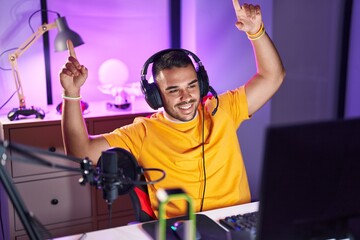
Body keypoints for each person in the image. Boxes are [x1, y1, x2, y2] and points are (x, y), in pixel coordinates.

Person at [59, 0, 285, 219]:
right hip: (182, 231)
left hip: (235, 224)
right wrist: (71, 94)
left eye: (192, 86)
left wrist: (257, 32)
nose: (186, 97)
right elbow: (81, 153)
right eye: (173, 90)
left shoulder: (222, 109)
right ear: (155, 95)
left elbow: (272, 76)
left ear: (202, 84)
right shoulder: (142, 132)